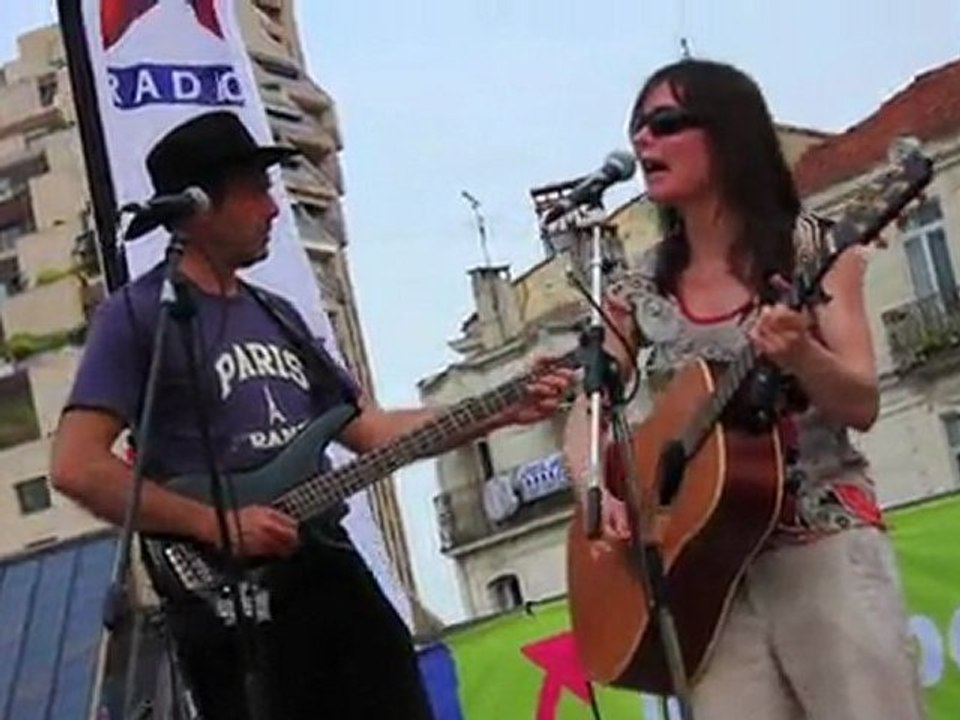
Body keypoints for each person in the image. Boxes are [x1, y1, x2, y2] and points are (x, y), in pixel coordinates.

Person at [51, 110, 575, 720]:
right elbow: (77, 464)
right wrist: (212, 523)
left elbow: (371, 431)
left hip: (325, 562)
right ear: (197, 208)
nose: (273, 209)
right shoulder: (139, 317)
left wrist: (494, 409)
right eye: (255, 192)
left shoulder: (278, 315)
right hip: (227, 597)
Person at [563, 60, 925, 720]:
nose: (644, 142)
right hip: (705, 579)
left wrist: (801, 354)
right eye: (636, 128)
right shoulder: (637, 286)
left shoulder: (814, 250)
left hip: (822, 543)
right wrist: (596, 486)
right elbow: (587, 403)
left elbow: (861, 402)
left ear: (730, 135)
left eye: (665, 123)